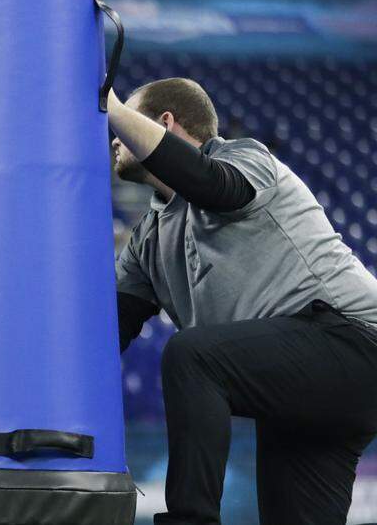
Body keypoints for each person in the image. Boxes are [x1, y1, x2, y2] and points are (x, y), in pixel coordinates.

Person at [110, 78, 377, 524]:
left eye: (125, 123)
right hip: (298, 393)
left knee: (194, 357)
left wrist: (112, 104)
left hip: (354, 343)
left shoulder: (243, 156)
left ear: (164, 122)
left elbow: (215, 186)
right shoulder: (147, 240)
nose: (114, 137)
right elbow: (104, 336)